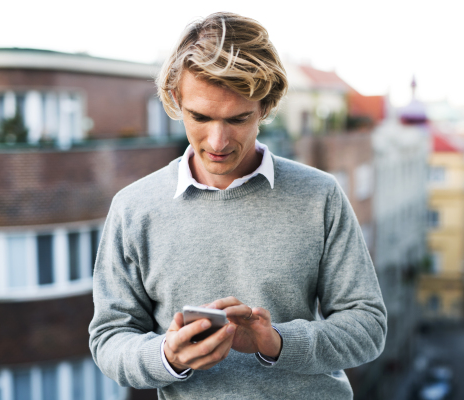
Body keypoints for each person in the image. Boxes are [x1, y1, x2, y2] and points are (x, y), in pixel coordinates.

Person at [89, 12, 387, 399]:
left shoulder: (320, 195)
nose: (217, 141)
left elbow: (367, 328)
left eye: (238, 119)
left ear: (265, 106)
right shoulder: (134, 208)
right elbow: (109, 340)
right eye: (200, 117)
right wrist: (167, 355)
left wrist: (275, 342)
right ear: (176, 100)